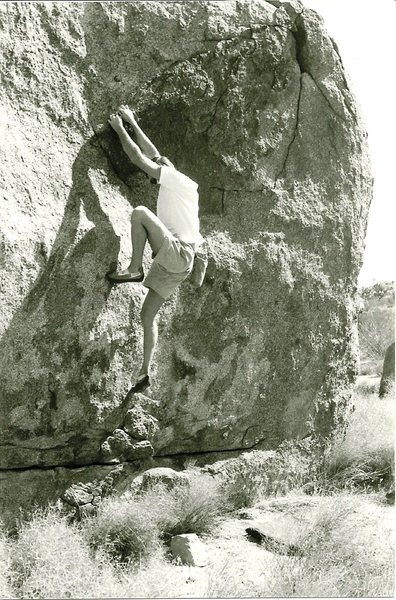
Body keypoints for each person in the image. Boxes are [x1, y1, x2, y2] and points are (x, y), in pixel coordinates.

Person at [107, 105, 204, 395]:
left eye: (157, 173)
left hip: (178, 253)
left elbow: (140, 158)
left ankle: (135, 268)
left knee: (139, 213)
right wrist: (133, 121)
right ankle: (144, 372)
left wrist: (119, 128)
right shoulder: (181, 184)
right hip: (180, 265)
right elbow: (153, 152)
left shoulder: (176, 179)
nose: (154, 178)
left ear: (166, 171)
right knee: (147, 316)